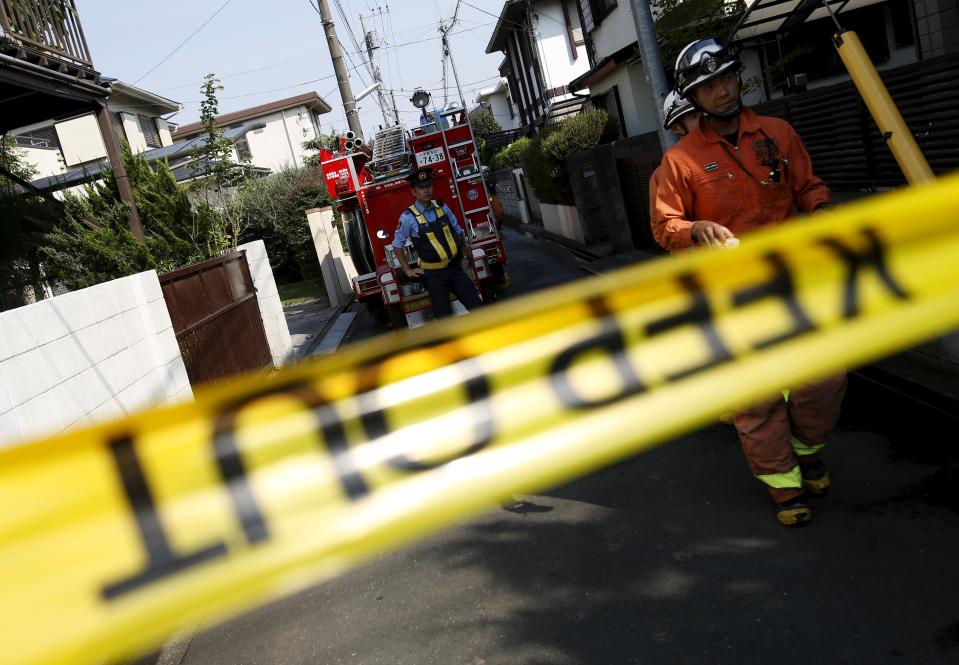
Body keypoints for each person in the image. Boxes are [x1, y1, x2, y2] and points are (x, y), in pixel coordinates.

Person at [651, 37, 846, 527]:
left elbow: (808, 187)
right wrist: (696, 229)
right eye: (710, 84)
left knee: (822, 378)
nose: (723, 90)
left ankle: (805, 448)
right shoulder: (679, 161)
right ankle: (783, 485)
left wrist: (822, 212)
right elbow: (664, 226)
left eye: (728, 77)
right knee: (756, 397)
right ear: (694, 97)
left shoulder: (778, 133)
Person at [392, 166, 482, 319]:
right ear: (413, 192)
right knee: (444, 319)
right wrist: (407, 270)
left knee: (479, 308)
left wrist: (465, 257)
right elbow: (397, 245)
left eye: (429, 186)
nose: (426, 190)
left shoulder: (442, 207)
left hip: (455, 268)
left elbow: (459, 232)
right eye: (421, 188)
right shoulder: (408, 217)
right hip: (433, 275)